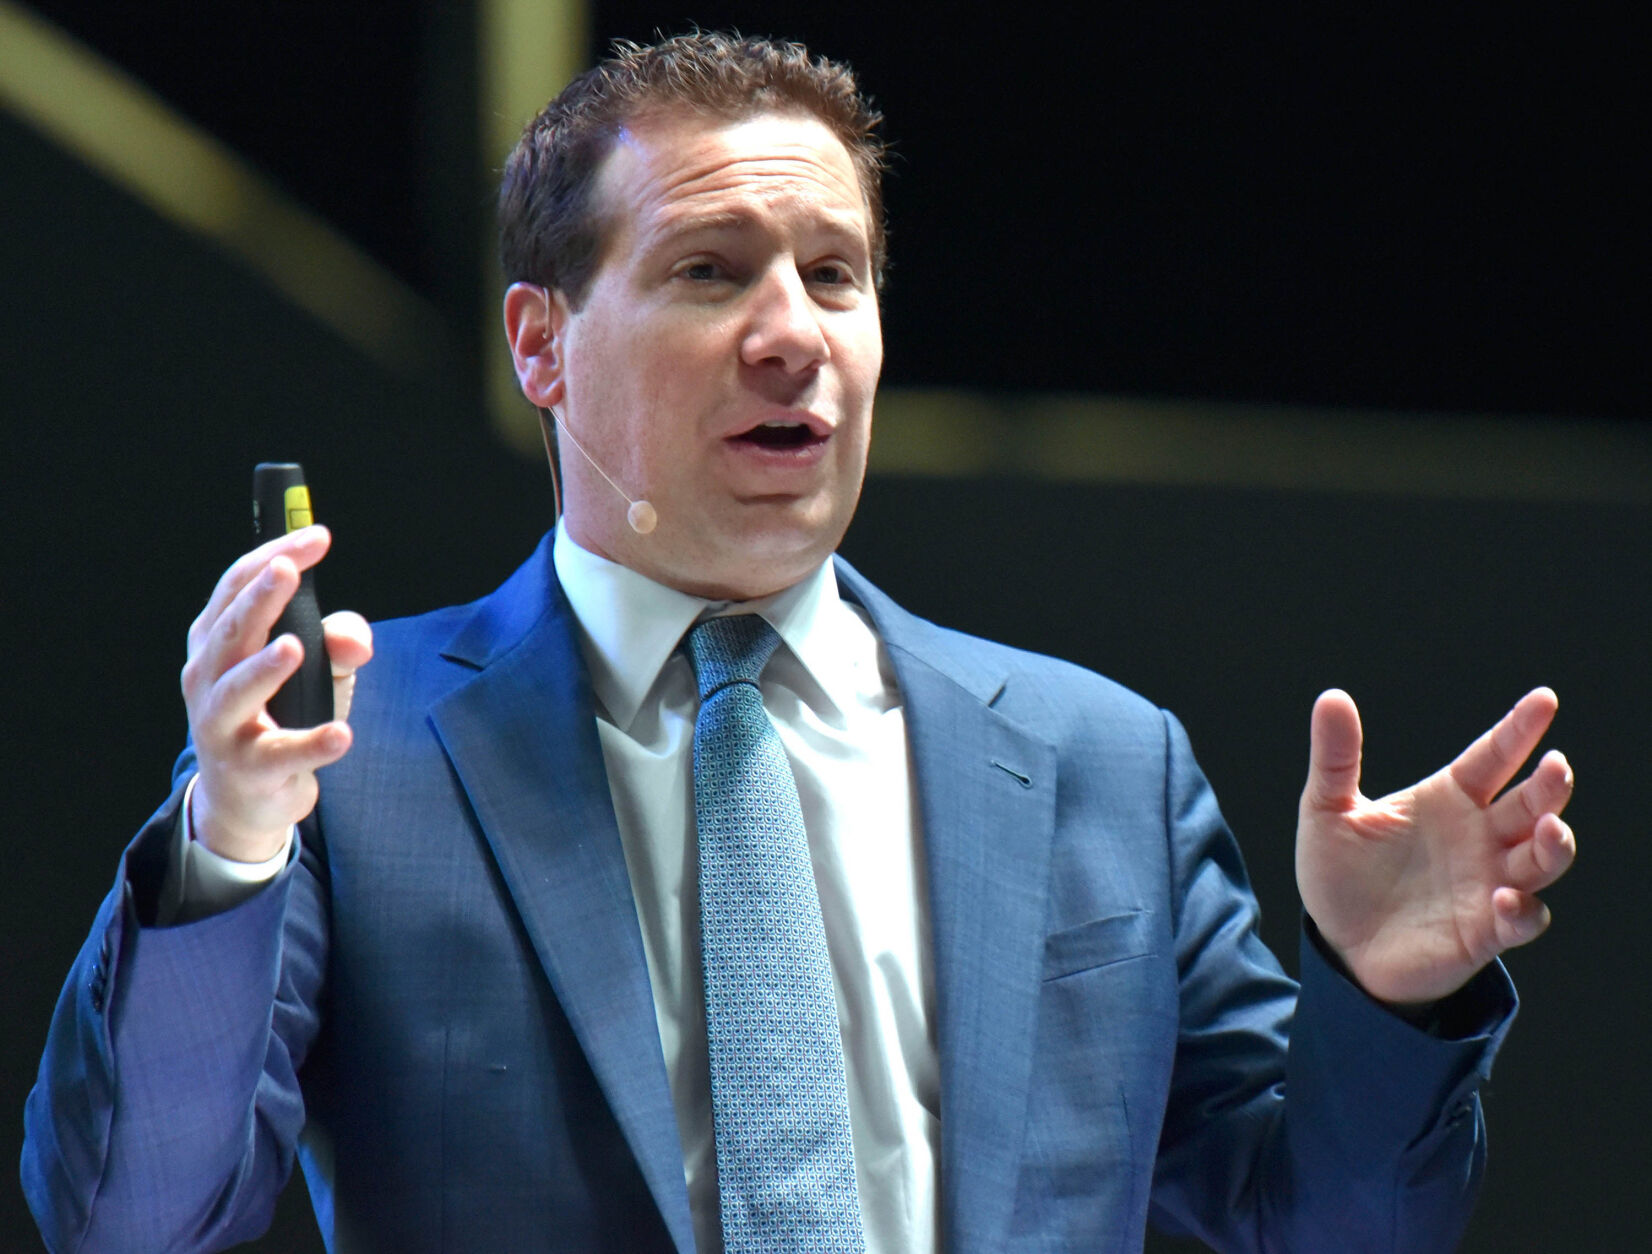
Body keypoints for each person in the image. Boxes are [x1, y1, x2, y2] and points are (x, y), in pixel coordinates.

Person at [23, 31, 1576, 1254]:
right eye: (710, 270)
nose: (793, 334)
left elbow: (1333, 1225)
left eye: (834, 274)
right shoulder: (356, 758)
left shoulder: (1102, 760)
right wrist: (229, 845)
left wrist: (1386, 996)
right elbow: (133, 1216)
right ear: (541, 343)